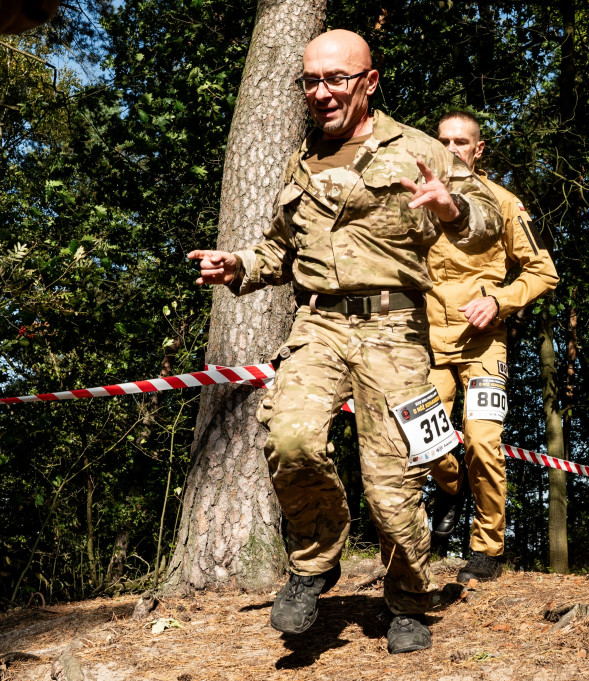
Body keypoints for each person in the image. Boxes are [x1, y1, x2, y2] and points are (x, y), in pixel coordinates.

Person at [186, 30, 501, 654]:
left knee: (394, 481)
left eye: (337, 79)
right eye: (311, 81)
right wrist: (239, 266)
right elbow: (280, 248)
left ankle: (409, 597)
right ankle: (316, 560)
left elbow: (490, 220)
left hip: (395, 329)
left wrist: (452, 208)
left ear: (370, 82)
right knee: (291, 436)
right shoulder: (301, 157)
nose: (322, 92)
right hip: (319, 323)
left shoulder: (418, 149)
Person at [426, 110, 558, 583]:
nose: (452, 148)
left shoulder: (503, 203)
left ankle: (487, 549)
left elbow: (544, 271)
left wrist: (498, 301)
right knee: (426, 445)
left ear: (479, 149)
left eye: (461, 141)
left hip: (484, 344)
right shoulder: (415, 200)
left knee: (483, 441)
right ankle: (449, 487)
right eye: (443, 140)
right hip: (425, 342)